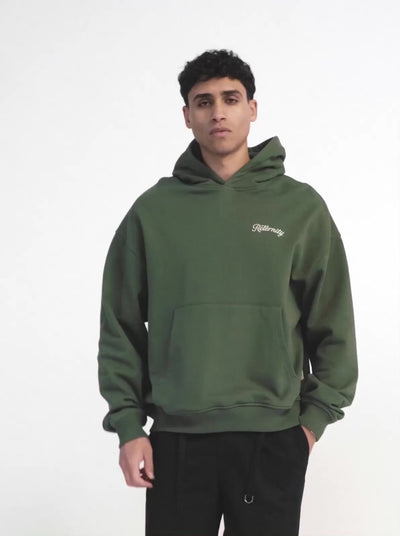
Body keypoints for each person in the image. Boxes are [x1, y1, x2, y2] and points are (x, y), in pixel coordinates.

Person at [97, 49, 358, 536]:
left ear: (252, 109)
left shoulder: (300, 208)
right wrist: (129, 428)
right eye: (204, 102)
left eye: (231, 99)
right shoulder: (153, 212)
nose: (218, 112)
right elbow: (120, 326)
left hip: (273, 438)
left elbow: (333, 320)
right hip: (177, 439)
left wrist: (312, 423)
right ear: (187, 115)